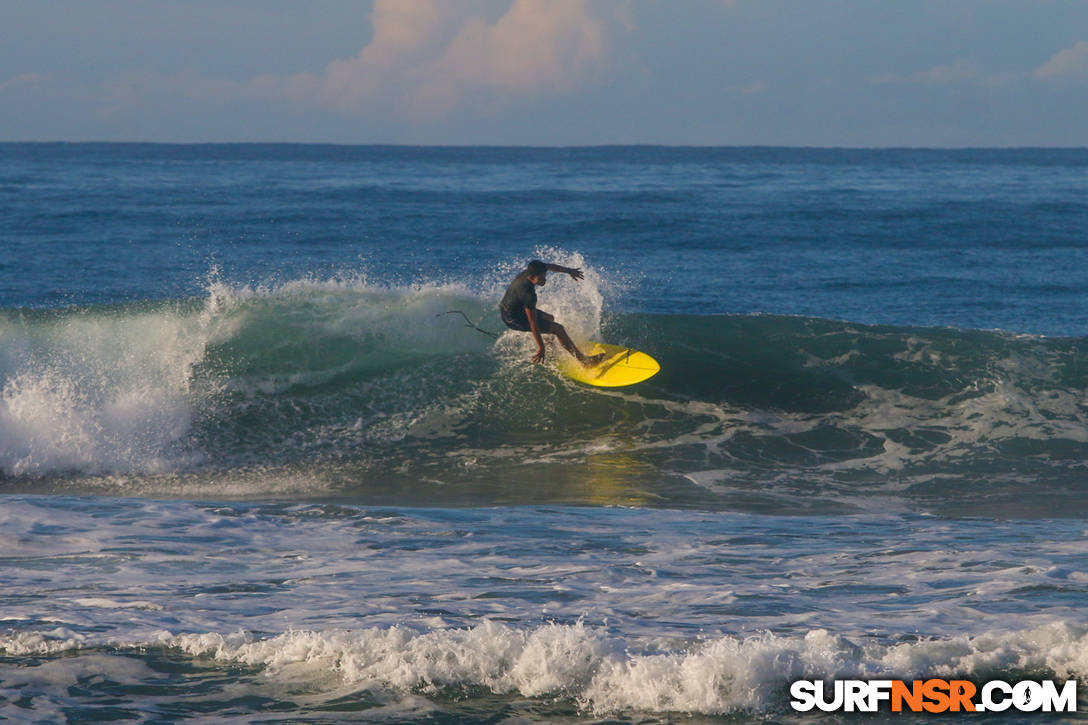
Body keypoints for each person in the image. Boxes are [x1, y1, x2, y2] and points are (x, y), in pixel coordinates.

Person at [499, 260, 604, 365]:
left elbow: (550, 266)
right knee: (558, 329)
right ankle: (584, 361)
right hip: (513, 318)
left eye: (545, 276)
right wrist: (541, 347)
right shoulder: (528, 295)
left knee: (549, 318)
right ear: (532, 277)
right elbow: (533, 323)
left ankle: (551, 350)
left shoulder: (530, 272)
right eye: (541, 278)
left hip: (512, 307)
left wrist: (569, 271)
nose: (545, 280)